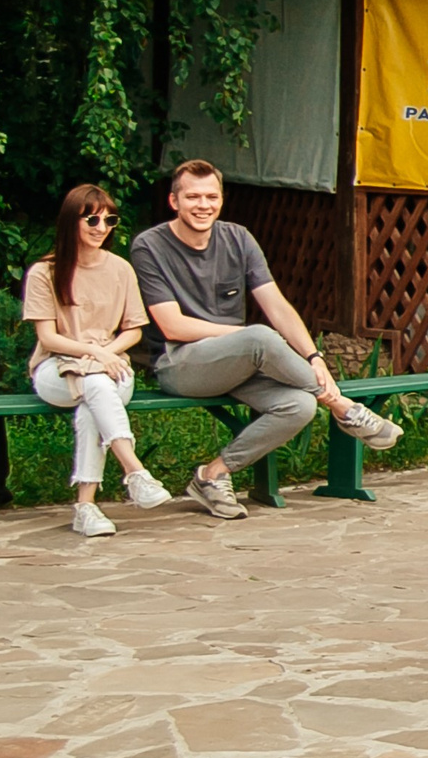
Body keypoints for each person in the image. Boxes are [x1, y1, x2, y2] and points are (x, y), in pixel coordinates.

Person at [131, 160, 399, 519]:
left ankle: (212, 475)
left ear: (221, 200)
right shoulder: (149, 246)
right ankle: (344, 409)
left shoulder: (238, 238)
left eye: (211, 196)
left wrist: (314, 356)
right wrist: (249, 337)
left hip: (237, 361)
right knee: (259, 337)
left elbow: (277, 306)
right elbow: (172, 326)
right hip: (180, 364)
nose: (202, 205)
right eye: (192, 197)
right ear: (173, 201)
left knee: (300, 407)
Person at [22, 184, 171, 537]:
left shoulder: (120, 269)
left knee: (94, 397)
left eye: (110, 220)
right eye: (91, 218)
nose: (101, 227)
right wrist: (97, 353)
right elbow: (48, 337)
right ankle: (135, 471)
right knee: (93, 383)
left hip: (110, 367)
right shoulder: (44, 272)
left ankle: (86, 507)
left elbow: (134, 330)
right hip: (56, 368)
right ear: (71, 221)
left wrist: (108, 353)